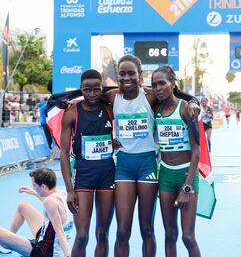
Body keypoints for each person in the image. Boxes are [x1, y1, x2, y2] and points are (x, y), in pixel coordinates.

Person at [105, 55, 199, 257]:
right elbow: (90, 97)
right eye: (122, 73)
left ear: (140, 76)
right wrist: (107, 138)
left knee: (147, 228)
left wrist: (195, 101)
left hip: (148, 164)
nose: (126, 77)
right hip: (123, 165)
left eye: (131, 73)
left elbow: (177, 94)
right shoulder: (112, 97)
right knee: (122, 231)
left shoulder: (150, 96)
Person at [60, 69, 115, 257]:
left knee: (103, 234)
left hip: (107, 174)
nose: (92, 94)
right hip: (83, 176)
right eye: (86, 90)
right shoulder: (71, 112)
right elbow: (64, 153)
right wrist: (69, 189)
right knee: (82, 236)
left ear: (102, 89)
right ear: (80, 89)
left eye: (96, 90)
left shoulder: (110, 107)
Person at [152, 65, 201, 257]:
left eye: (162, 83)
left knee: (188, 237)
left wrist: (186, 187)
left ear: (173, 84)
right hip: (165, 175)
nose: (157, 88)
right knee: (170, 234)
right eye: (154, 85)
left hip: (186, 175)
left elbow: (196, 150)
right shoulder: (156, 108)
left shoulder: (185, 109)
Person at [0, 167, 73, 257]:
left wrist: (68, 255)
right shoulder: (63, 194)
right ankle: (4, 244)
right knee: (23, 206)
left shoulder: (49, 202)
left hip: (44, 252)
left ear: (43, 186)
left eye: (34, 185)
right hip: (47, 239)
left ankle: (4, 242)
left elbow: (60, 233)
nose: (33, 188)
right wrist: (34, 192)